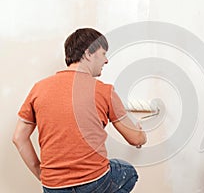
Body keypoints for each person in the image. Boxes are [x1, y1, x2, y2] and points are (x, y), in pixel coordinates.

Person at [12, 28, 147, 193]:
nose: (106, 61)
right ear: (88, 53)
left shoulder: (38, 89)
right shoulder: (104, 91)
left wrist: (42, 174)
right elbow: (136, 139)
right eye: (103, 53)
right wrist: (141, 132)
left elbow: (19, 137)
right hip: (94, 182)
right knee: (129, 173)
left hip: (53, 186)